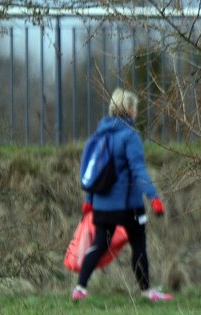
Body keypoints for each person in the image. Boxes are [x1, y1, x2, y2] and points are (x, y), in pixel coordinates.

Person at [73, 87, 172, 302]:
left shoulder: (99, 135)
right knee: (138, 245)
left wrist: (89, 202)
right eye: (135, 108)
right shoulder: (130, 136)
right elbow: (138, 170)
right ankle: (147, 291)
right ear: (128, 109)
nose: (137, 112)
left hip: (101, 205)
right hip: (128, 206)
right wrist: (153, 197)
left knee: (99, 244)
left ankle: (80, 288)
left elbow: (94, 170)